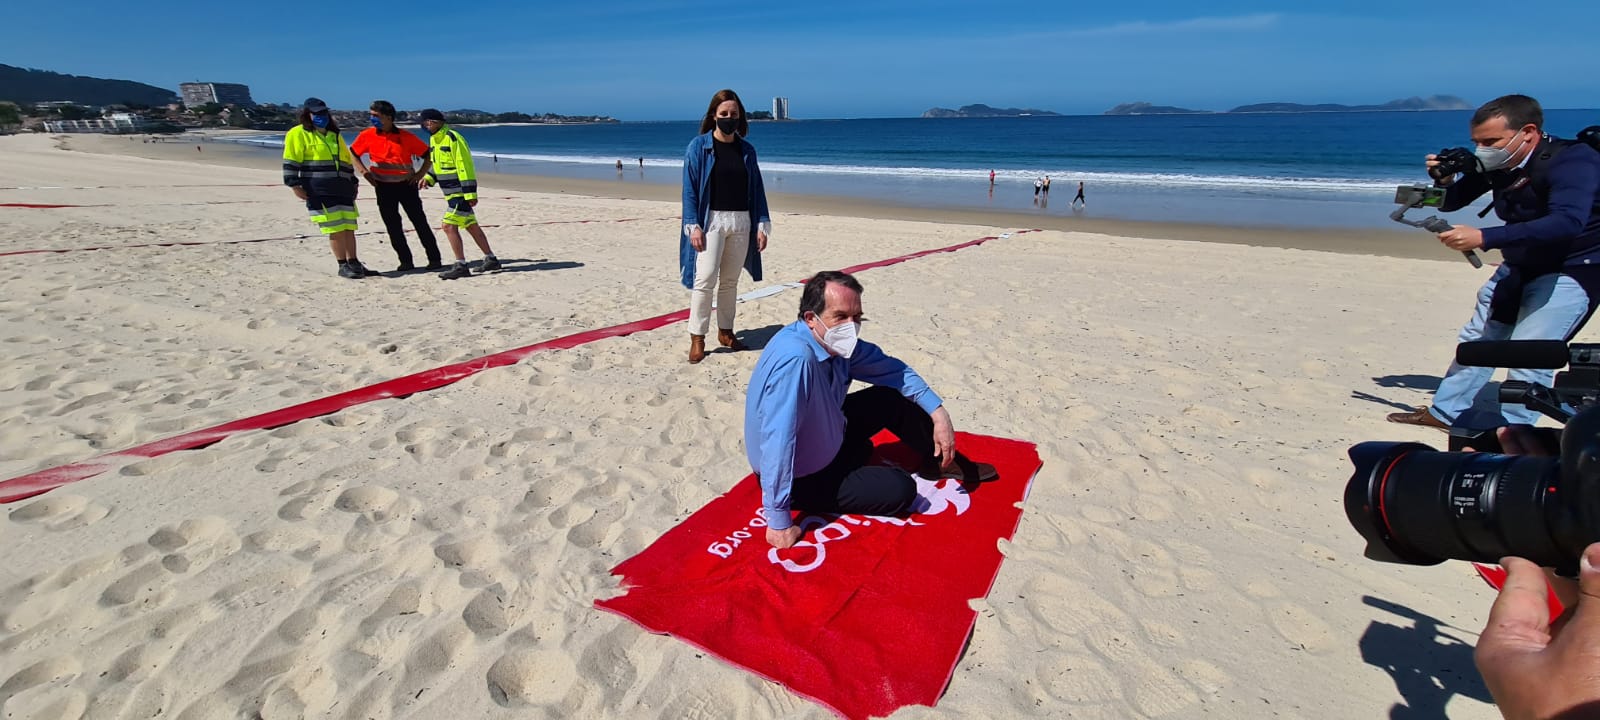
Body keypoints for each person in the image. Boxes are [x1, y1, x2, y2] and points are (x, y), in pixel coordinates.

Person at [1388, 95, 1600, 431]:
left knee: (1531, 351)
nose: (1482, 150)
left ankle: (1514, 433)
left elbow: (1567, 222)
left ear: (1528, 132)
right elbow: (1452, 203)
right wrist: (1443, 182)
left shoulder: (1573, 161)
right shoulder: (1500, 162)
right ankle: (1445, 413)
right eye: (1476, 142)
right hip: (1520, 262)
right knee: (1479, 340)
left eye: (1490, 141)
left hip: (1573, 267)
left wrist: (1485, 238)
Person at [744, 271, 993, 549]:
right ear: (810, 318)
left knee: (890, 396)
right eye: (840, 317)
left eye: (857, 317)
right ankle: (820, 481)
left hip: (824, 431)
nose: (851, 327)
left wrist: (939, 414)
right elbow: (778, 438)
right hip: (801, 473)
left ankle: (938, 462)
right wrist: (778, 521)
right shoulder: (797, 360)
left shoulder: (833, 343)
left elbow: (894, 371)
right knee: (900, 489)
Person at [680, 88, 771, 364]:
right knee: (705, 279)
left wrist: (762, 224)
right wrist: (693, 225)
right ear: (713, 116)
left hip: (742, 221)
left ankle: (726, 332)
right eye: (724, 114)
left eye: (733, 114)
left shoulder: (747, 150)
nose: (729, 118)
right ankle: (697, 337)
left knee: (730, 281)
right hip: (712, 222)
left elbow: (757, 188)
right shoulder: (698, 147)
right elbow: (690, 190)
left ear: (740, 117)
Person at [282, 97, 375, 279]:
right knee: (335, 229)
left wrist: (353, 183)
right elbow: (291, 160)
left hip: (342, 188)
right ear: (307, 114)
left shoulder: (334, 134)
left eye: (323, 113)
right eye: (316, 113)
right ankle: (342, 265)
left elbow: (345, 161)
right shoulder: (298, 133)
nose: (321, 116)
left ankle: (354, 263)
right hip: (319, 189)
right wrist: (294, 185)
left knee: (349, 227)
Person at [349, 101, 442, 272]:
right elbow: (354, 153)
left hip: (406, 186)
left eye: (376, 115)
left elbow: (429, 156)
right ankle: (406, 261)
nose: (372, 118)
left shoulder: (405, 137)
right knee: (393, 226)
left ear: (388, 117)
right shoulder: (367, 135)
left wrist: (420, 174)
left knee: (420, 222)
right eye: (371, 115)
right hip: (383, 187)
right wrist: (364, 173)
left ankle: (434, 259)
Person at [416, 108, 501, 280]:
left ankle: (461, 264)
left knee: (448, 226)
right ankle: (491, 259)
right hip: (449, 192)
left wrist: (470, 193)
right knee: (471, 226)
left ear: (432, 122)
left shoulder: (453, 138)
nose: (425, 126)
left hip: (460, 193)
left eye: (426, 122)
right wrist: (430, 178)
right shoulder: (434, 140)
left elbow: (464, 165)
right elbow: (438, 164)